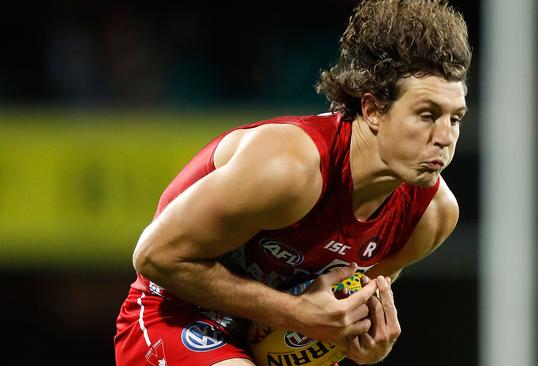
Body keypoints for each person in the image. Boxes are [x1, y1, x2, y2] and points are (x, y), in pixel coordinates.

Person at [114, 0, 472, 365]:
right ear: (373, 110)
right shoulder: (291, 167)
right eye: (427, 115)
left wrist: (361, 344)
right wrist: (296, 314)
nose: (445, 137)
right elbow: (154, 257)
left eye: (455, 119)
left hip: (264, 334)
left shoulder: (432, 216)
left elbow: (330, 318)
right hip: (174, 316)